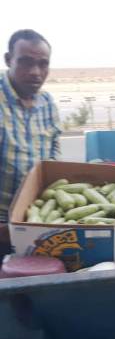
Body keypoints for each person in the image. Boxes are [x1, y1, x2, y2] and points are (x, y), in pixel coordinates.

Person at [0, 29, 61, 255]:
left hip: (36, 223)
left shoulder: (47, 103)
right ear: (9, 60)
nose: (35, 72)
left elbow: (53, 152)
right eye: (26, 62)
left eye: (43, 64)